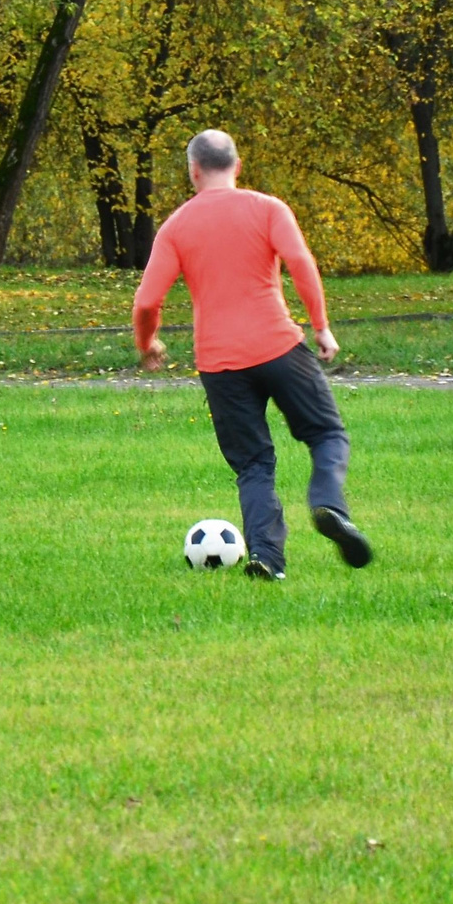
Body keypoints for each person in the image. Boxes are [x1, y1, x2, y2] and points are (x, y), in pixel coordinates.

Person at [134, 130, 371, 581]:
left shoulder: (176, 226)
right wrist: (320, 325)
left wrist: (148, 344)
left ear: (194, 171)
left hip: (219, 364)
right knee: (326, 434)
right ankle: (327, 505)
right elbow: (300, 262)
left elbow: (146, 302)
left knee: (253, 464)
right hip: (278, 346)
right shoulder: (267, 208)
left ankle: (267, 558)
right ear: (237, 166)